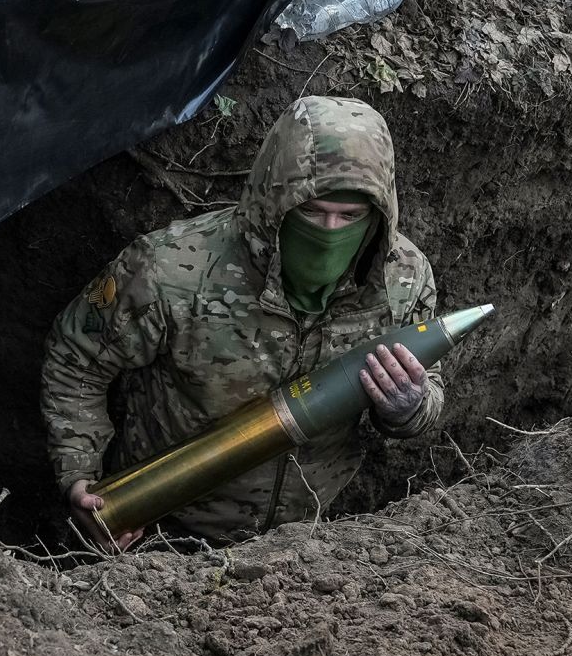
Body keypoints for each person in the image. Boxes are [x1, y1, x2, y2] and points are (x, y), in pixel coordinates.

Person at [40, 95, 443, 549]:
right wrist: (79, 473)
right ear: (275, 200)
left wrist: (408, 407)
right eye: (311, 211)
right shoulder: (171, 270)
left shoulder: (401, 278)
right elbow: (76, 358)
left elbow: (426, 385)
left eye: (350, 216)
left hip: (309, 545)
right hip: (161, 535)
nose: (330, 231)